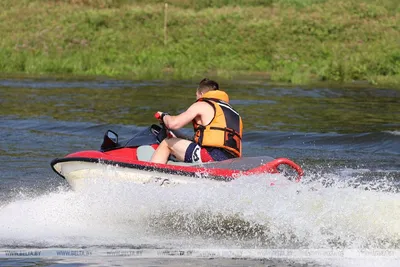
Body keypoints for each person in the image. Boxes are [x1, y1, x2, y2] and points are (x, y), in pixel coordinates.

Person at [151, 78, 243, 164]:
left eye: (196, 95)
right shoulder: (234, 113)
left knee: (167, 143)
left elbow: (173, 123)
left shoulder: (203, 104)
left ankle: (152, 175)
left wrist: (164, 116)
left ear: (201, 94)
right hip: (232, 161)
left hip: (212, 156)